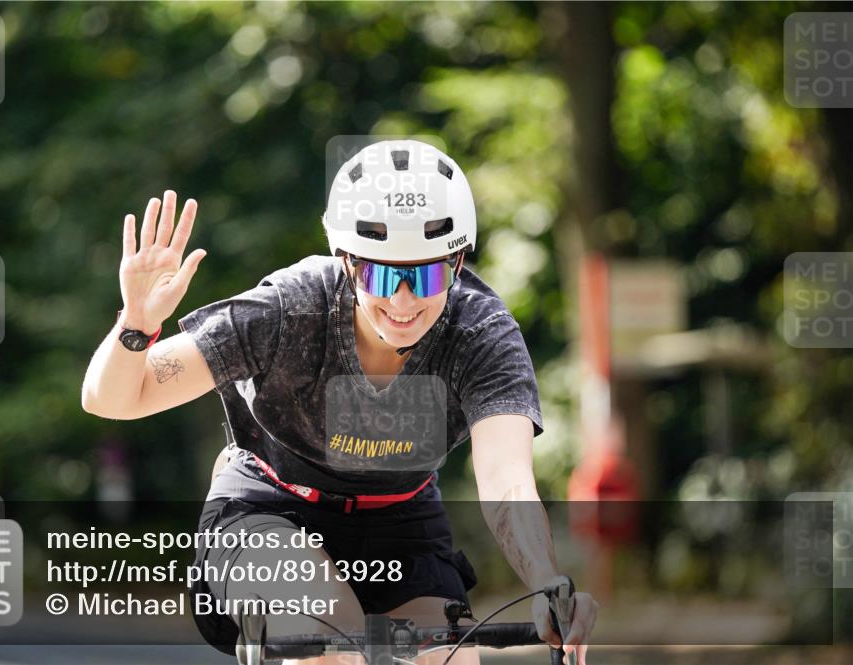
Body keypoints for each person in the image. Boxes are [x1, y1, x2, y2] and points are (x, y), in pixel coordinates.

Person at [82, 140, 598, 664]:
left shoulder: (479, 332)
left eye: (427, 274)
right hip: (271, 508)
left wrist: (545, 582)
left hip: (401, 523)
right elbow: (114, 399)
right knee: (335, 643)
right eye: (381, 273)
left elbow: (507, 479)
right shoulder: (290, 309)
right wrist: (137, 326)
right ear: (348, 262)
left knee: (450, 657)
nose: (404, 300)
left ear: (458, 262)